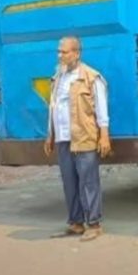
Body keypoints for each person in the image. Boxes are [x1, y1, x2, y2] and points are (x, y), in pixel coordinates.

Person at [44, 36, 112, 242]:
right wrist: (50, 135)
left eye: (64, 52)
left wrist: (104, 136)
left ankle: (94, 224)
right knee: (69, 182)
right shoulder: (58, 78)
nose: (60, 55)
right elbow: (53, 108)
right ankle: (75, 223)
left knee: (88, 181)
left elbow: (101, 109)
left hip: (84, 137)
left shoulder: (91, 77)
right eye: (59, 51)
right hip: (63, 138)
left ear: (76, 53)